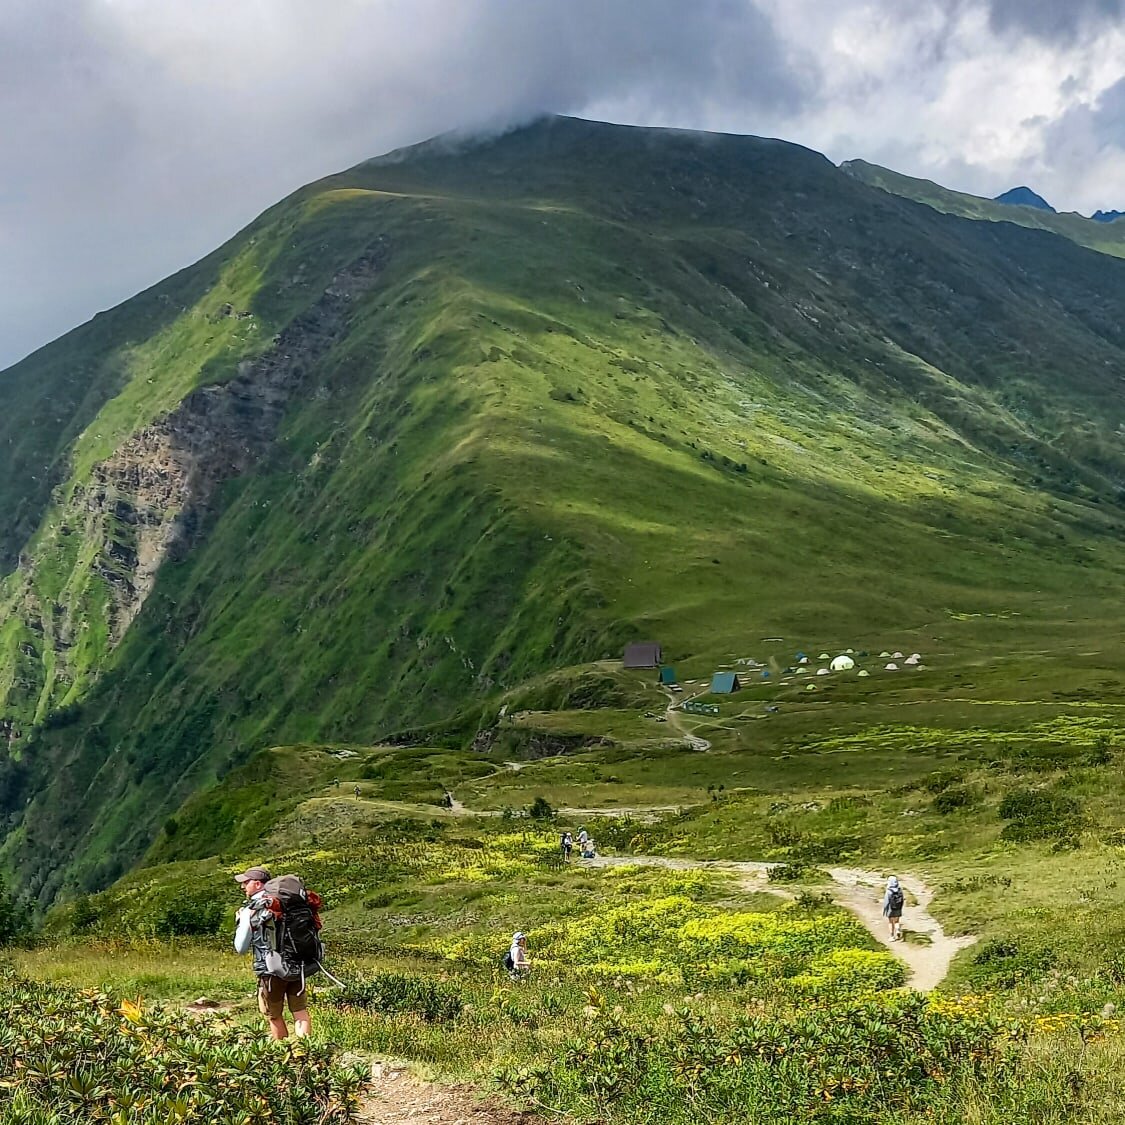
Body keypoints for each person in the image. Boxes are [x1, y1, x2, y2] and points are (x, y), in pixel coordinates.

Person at [233, 865, 312, 1040]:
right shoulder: (289, 903)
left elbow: (240, 947)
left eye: (246, 883)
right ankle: (307, 1052)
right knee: (300, 1011)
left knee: (274, 1015)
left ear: (258, 884)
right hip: (297, 964)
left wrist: (240, 922)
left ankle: (283, 1054)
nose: (242, 887)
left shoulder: (251, 909)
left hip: (270, 969)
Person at [882, 875, 905, 941]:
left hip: (890, 908)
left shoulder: (889, 891)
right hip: (898, 908)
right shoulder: (899, 890)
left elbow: (886, 902)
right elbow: (902, 899)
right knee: (897, 921)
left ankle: (892, 936)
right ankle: (897, 930)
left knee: (890, 922)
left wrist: (884, 909)